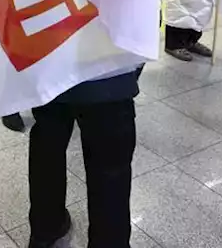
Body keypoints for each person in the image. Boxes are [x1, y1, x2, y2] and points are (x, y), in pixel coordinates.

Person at [27, 66, 143, 248]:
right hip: (108, 73)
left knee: (47, 149)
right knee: (110, 169)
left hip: (51, 70)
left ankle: (45, 229)